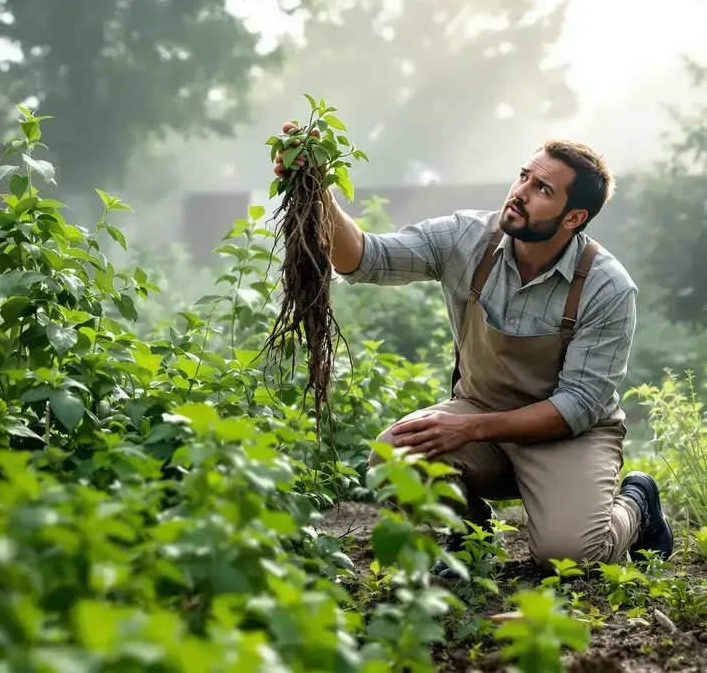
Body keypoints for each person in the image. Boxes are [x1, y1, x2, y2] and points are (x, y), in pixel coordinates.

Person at [272, 122, 673, 576]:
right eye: (523, 175)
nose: (520, 192)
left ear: (573, 217)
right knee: (393, 457)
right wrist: (318, 188)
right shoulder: (467, 238)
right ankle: (469, 532)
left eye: (542, 188)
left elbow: (578, 406)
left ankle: (637, 508)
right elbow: (365, 258)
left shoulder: (607, 286)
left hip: (567, 437)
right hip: (480, 412)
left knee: (568, 559)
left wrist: (471, 430)